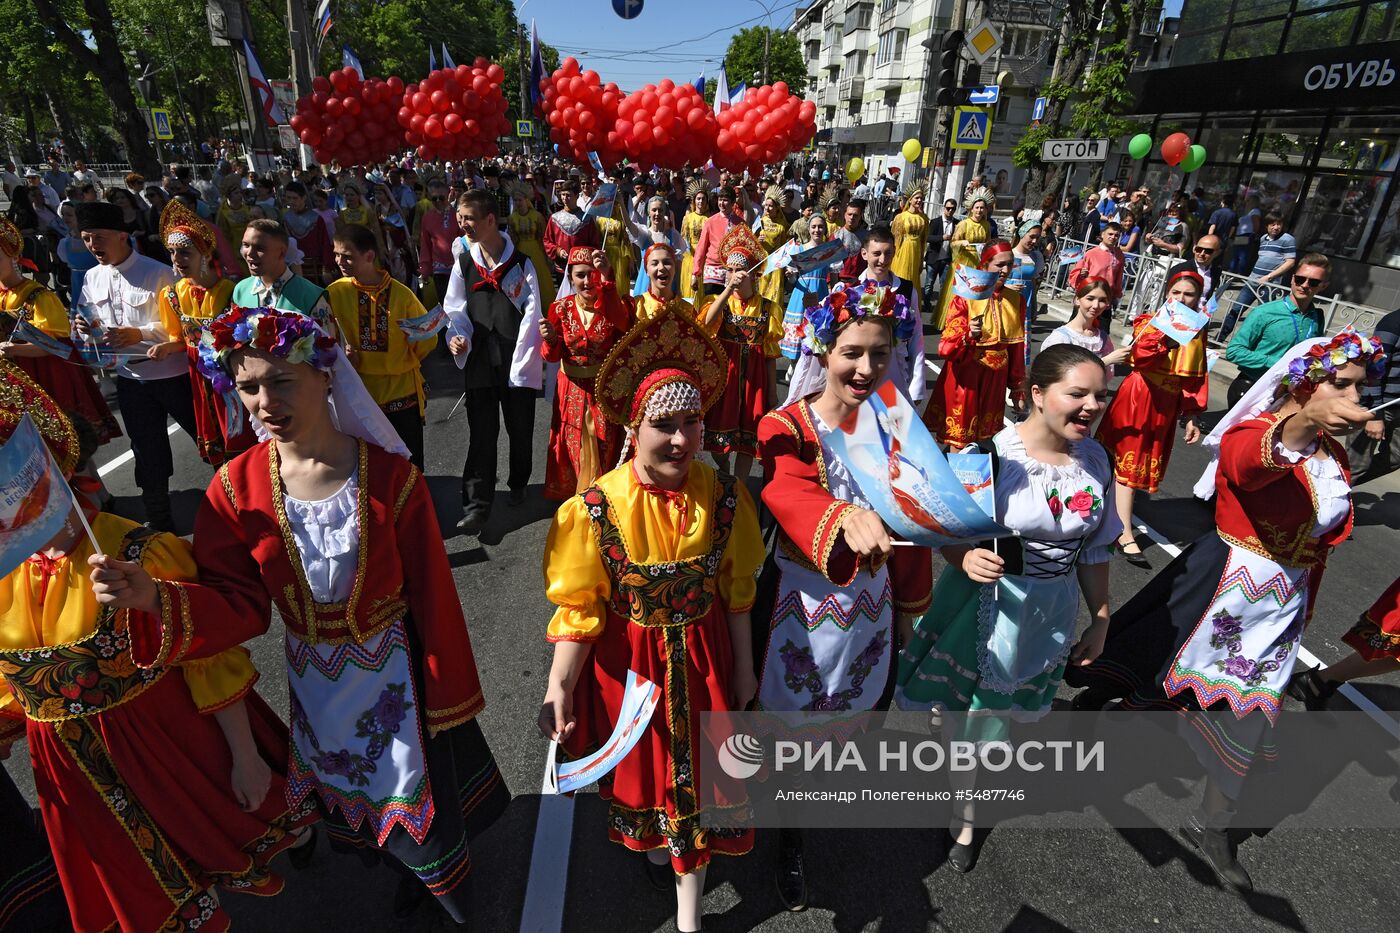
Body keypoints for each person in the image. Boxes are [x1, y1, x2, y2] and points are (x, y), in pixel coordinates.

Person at [90, 306, 510, 923]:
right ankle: (396, 868)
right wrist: (153, 597)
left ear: (324, 375)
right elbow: (237, 603)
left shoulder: (391, 478)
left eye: (281, 381)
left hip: (392, 675)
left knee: (413, 795)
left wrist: (448, 696)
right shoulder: (234, 489)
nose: (264, 400)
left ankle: (438, 891)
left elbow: (433, 595)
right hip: (314, 680)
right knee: (349, 792)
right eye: (249, 385)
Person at [0, 365, 317, 932]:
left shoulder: (135, 556)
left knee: (218, 834)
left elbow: (207, 657)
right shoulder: (10, 578)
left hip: (165, 748)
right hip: (76, 777)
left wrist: (245, 759)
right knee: (140, 893)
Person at [1066, 331, 1382, 891]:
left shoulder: (1333, 456)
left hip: (1280, 604)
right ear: (1305, 382)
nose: (1356, 398)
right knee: (1154, 661)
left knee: (1254, 712)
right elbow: (1247, 468)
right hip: (1221, 585)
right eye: (1343, 384)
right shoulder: (1255, 433)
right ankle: (1094, 711)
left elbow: (1318, 535)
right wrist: (1305, 420)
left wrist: (1302, 605)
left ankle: (1213, 825)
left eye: (1362, 389)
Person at [538, 302, 760, 933]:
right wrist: (559, 686)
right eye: (665, 425)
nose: (682, 440)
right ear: (633, 428)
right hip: (631, 670)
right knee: (656, 778)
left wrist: (743, 670)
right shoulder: (596, 507)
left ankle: (689, 918)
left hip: (707, 660)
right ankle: (667, 849)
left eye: (693, 422)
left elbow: (736, 590)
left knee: (698, 790)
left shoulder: (721, 496)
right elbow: (581, 608)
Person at [897, 344, 1121, 871]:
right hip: (985, 606)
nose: (1092, 406)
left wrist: (1102, 617)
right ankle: (969, 814)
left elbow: (1093, 548)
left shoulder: (1095, 460)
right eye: (1078, 393)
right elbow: (943, 530)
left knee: (991, 719)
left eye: (1101, 396)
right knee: (978, 725)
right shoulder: (989, 457)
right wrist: (963, 554)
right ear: (1038, 395)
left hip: (1049, 612)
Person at [756, 280, 931, 906]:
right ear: (824, 348)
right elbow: (784, 486)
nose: (865, 368)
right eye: (852, 351)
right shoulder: (789, 423)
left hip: (872, 607)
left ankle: (800, 818)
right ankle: (785, 834)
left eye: (880, 354)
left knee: (849, 716)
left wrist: (913, 605)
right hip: (798, 607)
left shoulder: (898, 423)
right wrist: (841, 516)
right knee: (781, 716)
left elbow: (916, 516)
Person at [74, 201, 196, 531]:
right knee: (146, 448)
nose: (92, 245)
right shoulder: (91, 277)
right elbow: (85, 321)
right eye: (86, 238)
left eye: (98, 237)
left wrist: (138, 333)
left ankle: (238, 502)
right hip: (129, 377)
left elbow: (184, 326)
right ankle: (160, 520)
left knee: (207, 441)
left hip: (173, 374)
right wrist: (87, 327)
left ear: (122, 236)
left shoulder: (158, 273)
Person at [443, 189, 545, 534]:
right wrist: (458, 337)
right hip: (480, 361)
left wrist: (523, 361)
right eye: (460, 218)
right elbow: (454, 308)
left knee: (520, 429)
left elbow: (533, 314)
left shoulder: (521, 263)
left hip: (516, 359)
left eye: (468, 218)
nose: (463, 224)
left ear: (490, 220)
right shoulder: (464, 262)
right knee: (482, 434)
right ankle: (476, 505)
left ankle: (518, 481)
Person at [1095, 268, 1209, 563]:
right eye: (1176, 293)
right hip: (1140, 396)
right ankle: (1123, 531)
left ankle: (1107, 512)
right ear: (1167, 294)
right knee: (1126, 465)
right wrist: (1166, 341)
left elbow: (1195, 377)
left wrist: (1192, 415)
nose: (1182, 299)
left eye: (1189, 294)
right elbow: (1139, 356)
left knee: (1138, 465)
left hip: (1167, 403)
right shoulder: (1150, 322)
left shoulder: (1198, 330)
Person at [0, 216, 119, 445]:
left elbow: (57, 347)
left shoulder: (38, 296)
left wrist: (13, 348)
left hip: (47, 378)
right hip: (15, 385)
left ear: (14, 256)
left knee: (69, 451)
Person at [154, 199, 255, 467]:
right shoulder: (172, 295)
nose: (177, 259)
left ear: (206, 254)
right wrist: (166, 348)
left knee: (242, 433)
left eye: (185, 252)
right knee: (217, 441)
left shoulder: (233, 292)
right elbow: (180, 339)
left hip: (232, 373)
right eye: (173, 252)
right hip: (199, 375)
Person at [327, 224, 436, 469]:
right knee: (368, 466)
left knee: (409, 462)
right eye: (336, 254)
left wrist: (401, 360)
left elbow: (428, 338)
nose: (339, 261)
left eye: (347, 256)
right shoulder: (334, 292)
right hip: (358, 392)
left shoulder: (402, 294)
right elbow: (326, 334)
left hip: (401, 391)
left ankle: (414, 507)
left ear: (369, 256)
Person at [540, 247, 632, 499]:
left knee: (605, 444)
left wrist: (609, 279)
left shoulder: (612, 304)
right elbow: (551, 356)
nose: (587, 281)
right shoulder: (560, 308)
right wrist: (549, 340)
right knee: (573, 445)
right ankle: (578, 501)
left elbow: (623, 324)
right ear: (570, 278)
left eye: (593, 274)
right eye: (580, 275)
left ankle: (603, 498)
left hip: (603, 388)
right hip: (570, 388)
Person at [923, 241, 1027, 447]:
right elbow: (945, 348)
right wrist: (968, 334)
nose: (1005, 270)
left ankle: (978, 478)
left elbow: (1016, 348)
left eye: (1010, 264)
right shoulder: (965, 298)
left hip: (996, 379)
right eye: (999, 264)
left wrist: (1017, 389)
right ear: (985, 265)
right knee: (960, 439)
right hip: (967, 375)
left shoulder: (1016, 300)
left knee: (986, 438)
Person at [699, 224, 783, 480]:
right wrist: (726, 290)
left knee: (748, 440)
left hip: (754, 382)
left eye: (740, 271)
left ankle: (741, 489)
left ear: (753, 274)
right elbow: (704, 324)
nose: (734, 276)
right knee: (719, 442)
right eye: (730, 271)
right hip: (726, 380)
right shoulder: (721, 304)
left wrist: (770, 393)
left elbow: (770, 355)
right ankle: (724, 471)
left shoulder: (769, 308)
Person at [1224, 253, 1328, 407]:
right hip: (1253, 389)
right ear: (1292, 279)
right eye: (1300, 279)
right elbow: (1234, 351)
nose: (1304, 285)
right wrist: (1276, 363)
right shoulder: (1265, 312)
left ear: (1323, 286)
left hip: (1288, 394)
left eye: (1313, 282)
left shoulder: (1317, 316)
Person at [231, 219, 332, 328]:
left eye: (260, 248)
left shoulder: (310, 296)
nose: (249, 253)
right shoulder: (241, 290)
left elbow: (327, 343)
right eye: (246, 245)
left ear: (281, 252)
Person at [1216, 214, 1296, 344]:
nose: (1276, 227)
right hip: (1252, 281)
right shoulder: (1264, 238)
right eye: (1273, 224)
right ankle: (1219, 338)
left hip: (1269, 286)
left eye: (1279, 224)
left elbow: (1290, 262)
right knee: (1236, 309)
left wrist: (1269, 277)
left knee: (1263, 317)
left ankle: (1254, 345)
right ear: (1267, 226)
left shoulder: (1287, 239)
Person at [933, 195, 993, 330]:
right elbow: (953, 242)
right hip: (963, 261)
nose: (979, 211)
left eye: (982, 208)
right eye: (977, 208)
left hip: (977, 262)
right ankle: (951, 321)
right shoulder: (963, 224)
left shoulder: (986, 225)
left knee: (973, 293)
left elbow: (989, 242)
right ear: (971, 209)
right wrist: (962, 242)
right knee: (958, 293)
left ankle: (968, 321)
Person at [1041, 278, 1131, 365]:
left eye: (1102, 300)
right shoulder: (1060, 338)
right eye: (1090, 298)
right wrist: (1106, 361)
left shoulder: (1103, 339)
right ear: (1077, 300)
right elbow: (1055, 375)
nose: (1096, 305)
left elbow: (1104, 377)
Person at [779, 213, 832, 360]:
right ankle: (793, 364)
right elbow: (793, 281)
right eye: (814, 227)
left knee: (817, 330)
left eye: (820, 227)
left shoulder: (829, 251)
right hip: (801, 294)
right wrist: (791, 277)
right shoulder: (799, 250)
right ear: (809, 229)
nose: (817, 230)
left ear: (825, 229)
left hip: (820, 293)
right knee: (799, 328)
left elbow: (833, 280)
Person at [543, 178, 601, 283]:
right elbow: (547, 241)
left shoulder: (586, 219)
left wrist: (585, 255)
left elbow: (594, 243)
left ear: (576, 196)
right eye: (563, 195)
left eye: (568, 195)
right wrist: (558, 251)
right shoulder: (554, 218)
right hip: (561, 267)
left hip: (581, 268)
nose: (565, 198)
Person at [691, 185, 745, 297]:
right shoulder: (710, 222)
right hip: (712, 272)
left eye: (725, 200)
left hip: (732, 271)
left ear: (733, 202)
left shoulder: (740, 223)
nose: (722, 203)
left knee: (729, 308)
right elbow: (701, 248)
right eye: (720, 200)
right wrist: (695, 274)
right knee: (711, 307)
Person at [507, 182, 556, 301]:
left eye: (519, 200)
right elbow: (512, 239)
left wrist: (547, 257)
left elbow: (543, 237)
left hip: (536, 252)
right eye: (515, 200)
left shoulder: (537, 216)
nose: (517, 203)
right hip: (520, 251)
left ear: (526, 200)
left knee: (540, 280)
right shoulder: (512, 219)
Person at [281, 181, 335, 285]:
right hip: (294, 268)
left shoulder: (316, 218)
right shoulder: (286, 218)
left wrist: (326, 269)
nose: (291, 201)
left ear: (304, 198)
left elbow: (325, 244)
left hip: (317, 268)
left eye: (295, 198)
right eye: (289, 198)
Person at [1068, 221, 1125, 305]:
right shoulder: (1091, 253)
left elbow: (1118, 278)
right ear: (1103, 234)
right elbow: (1075, 274)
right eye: (1110, 234)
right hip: (1088, 296)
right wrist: (1081, 274)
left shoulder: (1119, 255)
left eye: (1116, 235)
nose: (1113, 237)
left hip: (1105, 299)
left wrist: (1116, 295)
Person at [753, 186, 790, 306]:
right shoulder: (760, 222)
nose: (768, 208)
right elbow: (751, 243)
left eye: (771, 206)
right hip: (762, 263)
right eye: (766, 205)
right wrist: (758, 240)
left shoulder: (782, 225)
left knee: (774, 295)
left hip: (776, 264)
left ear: (777, 208)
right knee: (761, 293)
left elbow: (786, 246)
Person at [678, 181, 710, 301]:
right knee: (689, 292)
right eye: (698, 199)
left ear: (707, 201)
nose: (700, 201)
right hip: (690, 258)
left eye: (703, 199)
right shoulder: (688, 218)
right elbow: (683, 239)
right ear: (694, 200)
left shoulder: (710, 219)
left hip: (705, 259)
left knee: (702, 293)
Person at [890, 188, 928, 288]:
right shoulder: (901, 217)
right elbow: (896, 238)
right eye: (917, 198)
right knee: (903, 274)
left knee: (913, 277)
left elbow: (924, 239)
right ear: (910, 200)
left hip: (917, 250)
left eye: (921, 198)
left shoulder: (924, 218)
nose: (919, 200)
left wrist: (921, 258)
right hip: (904, 250)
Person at [925, 197, 959, 299]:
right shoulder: (935, 222)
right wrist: (942, 238)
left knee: (944, 285)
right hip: (933, 258)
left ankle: (939, 308)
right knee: (929, 284)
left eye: (953, 209)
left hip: (947, 260)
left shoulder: (957, 223)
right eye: (948, 208)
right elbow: (928, 237)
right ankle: (926, 304)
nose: (950, 211)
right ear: (944, 208)